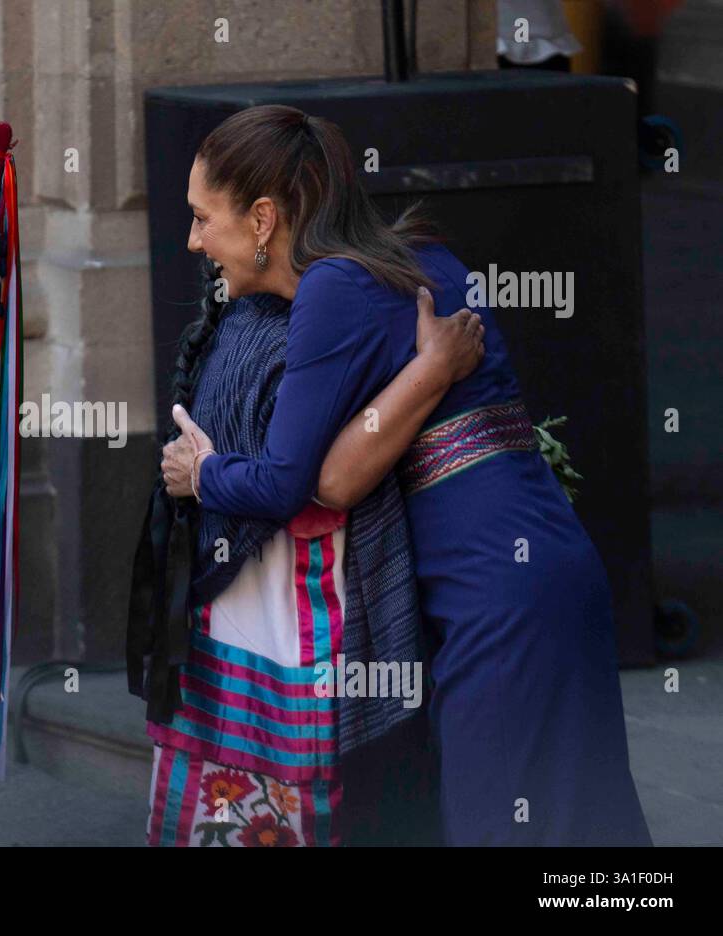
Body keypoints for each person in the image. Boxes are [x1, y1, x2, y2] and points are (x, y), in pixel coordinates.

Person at [159, 105, 651, 846]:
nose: (194, 240)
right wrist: (429, 369)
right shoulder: (426, 260)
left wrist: (205, 474)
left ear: (263, 219)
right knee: (583, 830)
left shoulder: (332, 289)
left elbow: (298, 484)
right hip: (549, 566)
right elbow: (342, 470)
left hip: (498, 599)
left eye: (203, 218)